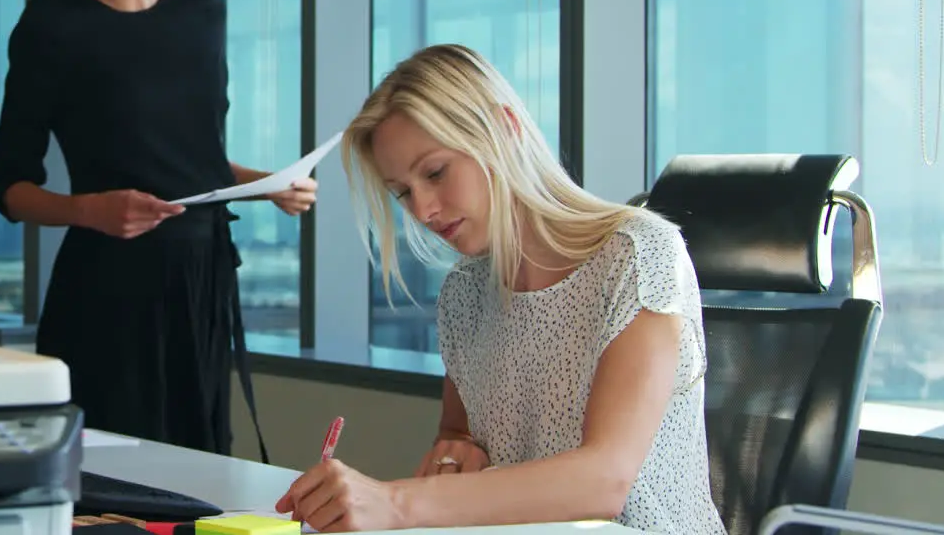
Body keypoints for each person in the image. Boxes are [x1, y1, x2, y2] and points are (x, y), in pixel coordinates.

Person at [275, 45, 725, 534]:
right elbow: (458, 433)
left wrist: (396, 503)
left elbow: (605, 479)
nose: (422, 210)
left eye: (435, 172)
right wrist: (456, 452)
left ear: (505, 129)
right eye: (402, 192)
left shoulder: (639, 256)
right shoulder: (465, 295)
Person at [0, 0, 316, 459]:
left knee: (202, 475)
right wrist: (89, 210)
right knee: (112, 487)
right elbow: (8, 187)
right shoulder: (51, 29)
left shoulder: (202, 11)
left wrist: (267, 184)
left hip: (202, 282)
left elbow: (193, 159)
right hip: (106, 290)